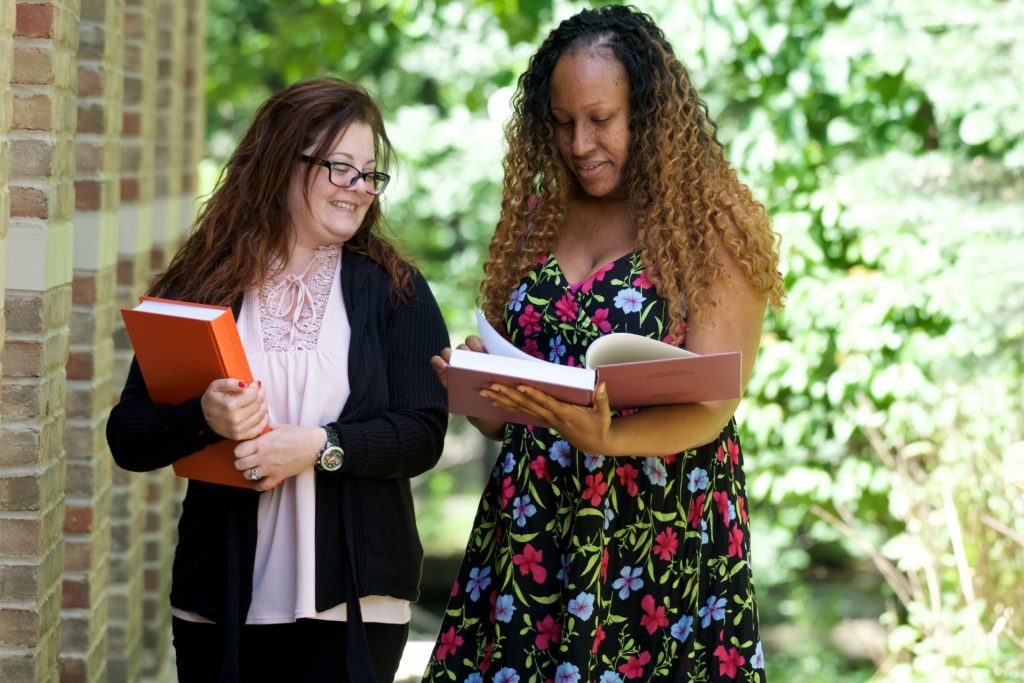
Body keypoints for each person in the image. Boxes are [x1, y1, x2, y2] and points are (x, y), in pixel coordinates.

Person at [424, 5, 784, 682]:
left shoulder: (714, 222)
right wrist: (482, 390)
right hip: (531, 536)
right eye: (561, 123)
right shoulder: (539, 214)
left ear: (647, 113)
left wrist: (606, 439)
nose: (578, 143)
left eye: (600, 119)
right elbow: (510, 411)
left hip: (655, 541)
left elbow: (715, 401)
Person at [106, 77, 449, 683]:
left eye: (370, 173)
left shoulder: (396, 289)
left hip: (357, 604)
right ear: (281, 162)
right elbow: (128, 436)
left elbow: (423, 433)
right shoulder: (200, 284)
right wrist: (201, 417)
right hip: (220, 601)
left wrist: (322, 447)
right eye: (340, 168)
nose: (359, 189)